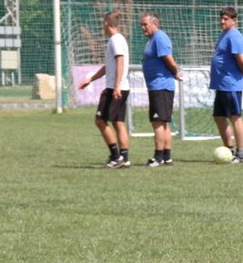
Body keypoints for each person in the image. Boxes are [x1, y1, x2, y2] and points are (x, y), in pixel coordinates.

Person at [78, 11, 132, 168]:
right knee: (118, 123)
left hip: (115, 88)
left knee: (100, 120)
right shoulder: (119, 39)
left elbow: (120, 62)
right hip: (121, 87)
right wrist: (91, 79)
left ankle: (117, 157)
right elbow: (109, 66)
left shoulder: (115, 40)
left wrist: (116, 87)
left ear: (107, 23)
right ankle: (124, 158)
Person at [210, 6, 243, 164]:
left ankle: (241, 154)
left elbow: (242, 60)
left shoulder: (234, 36)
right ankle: (228, 149)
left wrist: (242, 72)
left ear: (234, 21)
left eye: (226, 19)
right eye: (221, 18)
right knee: (219, 117)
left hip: (230, 84)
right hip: (221, 85)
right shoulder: (224, 35)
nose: (222, 21)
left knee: (235, 117)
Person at [140, 12, 182, 166]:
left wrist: (175, 72)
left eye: (145, 24)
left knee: (158, 121)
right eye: (141, 25)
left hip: (161, 85)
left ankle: (158, 157)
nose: (142, 28)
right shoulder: (152, 39)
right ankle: (166, 156)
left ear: (154, 24)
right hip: (157, 86)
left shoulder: (160, 37)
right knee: (163, 122)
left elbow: (168, 59)